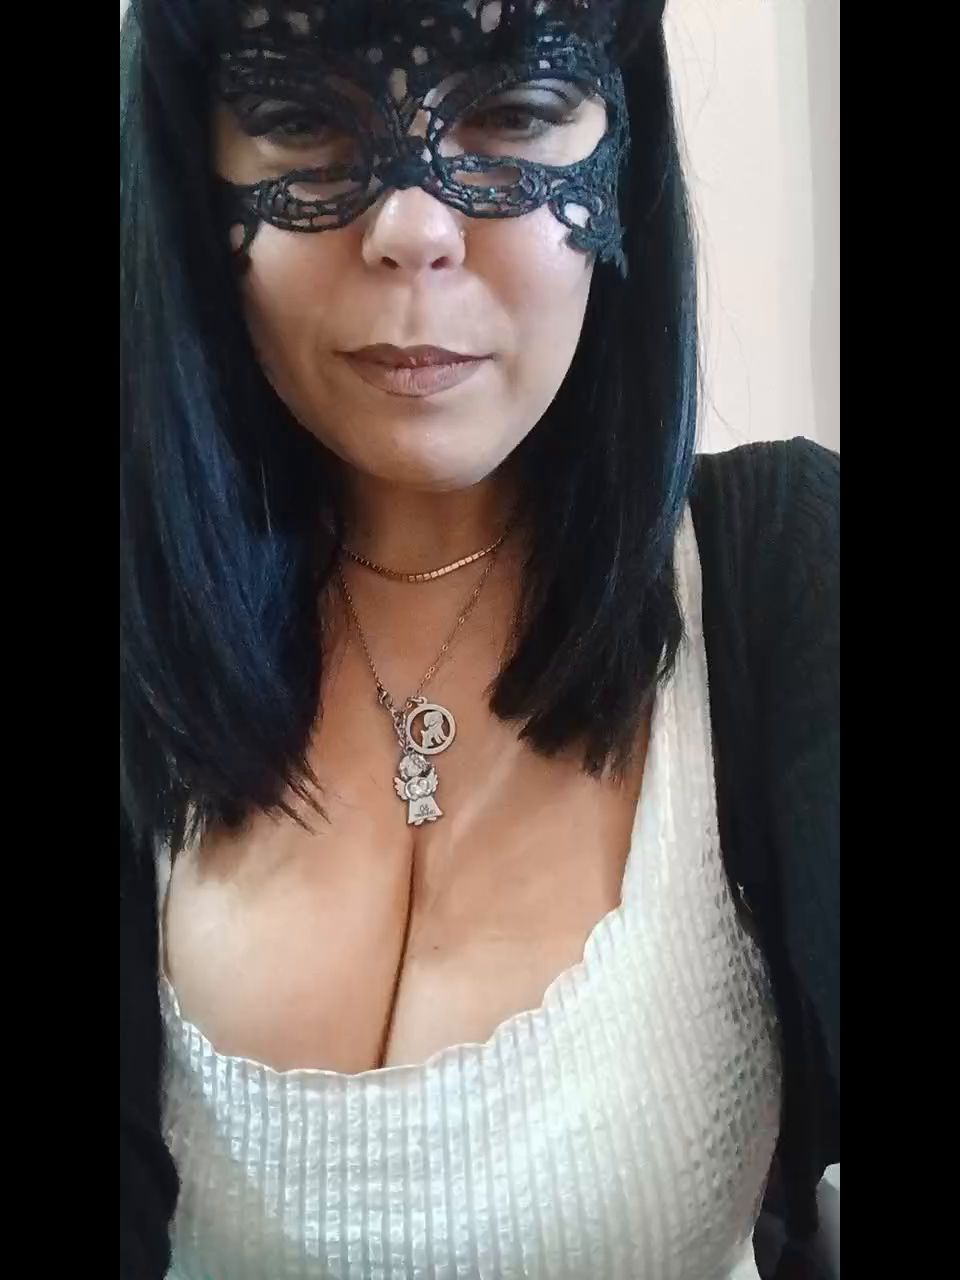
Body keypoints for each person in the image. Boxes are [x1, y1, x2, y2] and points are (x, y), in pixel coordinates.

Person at [120, 2, 839, 1277]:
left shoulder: (790, 573)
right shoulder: (142, 640)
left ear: (623, 146)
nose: (412, 227)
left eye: (511, 110)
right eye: (302, 116)